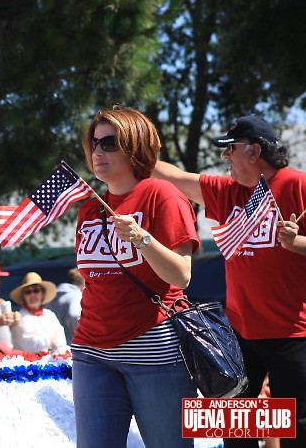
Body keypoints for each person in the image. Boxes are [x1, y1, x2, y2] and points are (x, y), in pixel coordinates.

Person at [153, 114, 306, 447]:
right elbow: (172, 175)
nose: (224, 157)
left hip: (294, 336)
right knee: (236, 435)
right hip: (238, 335)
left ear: (253, 152)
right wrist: (129, 146)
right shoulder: (226, 191)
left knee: (296, 434)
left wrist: (297, 244)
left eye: (230, 148)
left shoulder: (298, 184)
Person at [73, 106, 199, 448]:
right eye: (94, 143)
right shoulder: (90, 206)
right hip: (91, 351)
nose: (99, 151)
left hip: (154, 350)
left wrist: (142, 239)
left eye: (110, 143)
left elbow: (182, 275)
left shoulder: (163, 195)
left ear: (135, 145)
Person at [9, 272, 67, 353]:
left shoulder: (49, 314)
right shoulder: (20, 318)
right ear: (23, 296)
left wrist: (42, 339)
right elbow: (32, 346)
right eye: (28, 292)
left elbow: (62, 341)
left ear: (42, 294)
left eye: (36, 291)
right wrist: (51, 338)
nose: (32, 295)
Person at [44, 267, 84, 343]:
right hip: (73, 347)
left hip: (57, 346)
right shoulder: (76, 295)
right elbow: (75, 315)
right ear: (83, 286)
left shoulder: (54, 297)